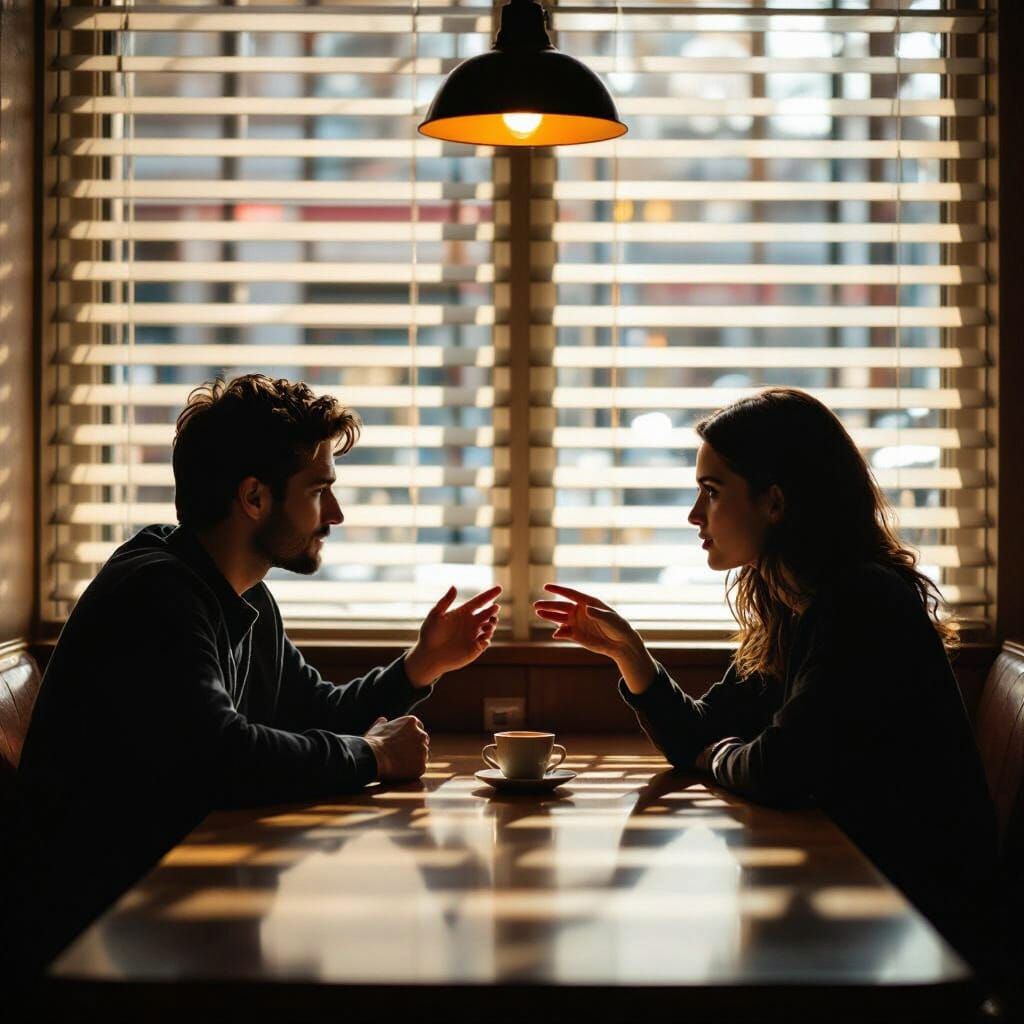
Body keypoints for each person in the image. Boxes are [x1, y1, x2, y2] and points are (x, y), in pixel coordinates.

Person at [9, 374, 500, 969]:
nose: (337, 514)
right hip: (101, 940)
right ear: (253, 497)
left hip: (171, 903)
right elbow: (219, 755)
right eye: (320, 490)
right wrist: (372, 757)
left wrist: (422, 665)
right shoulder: (157, 594)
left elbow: (316, 712)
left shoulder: (242, 595)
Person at [534, 387, 998, 974]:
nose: (693, 515)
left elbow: (780, 769)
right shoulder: (793, 605)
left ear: (774, 502)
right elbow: (695, 736)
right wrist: (632, 657)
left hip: (916, 929)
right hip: (856, 901)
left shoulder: (861, 603)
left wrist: (716, 756)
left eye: (711, 492)